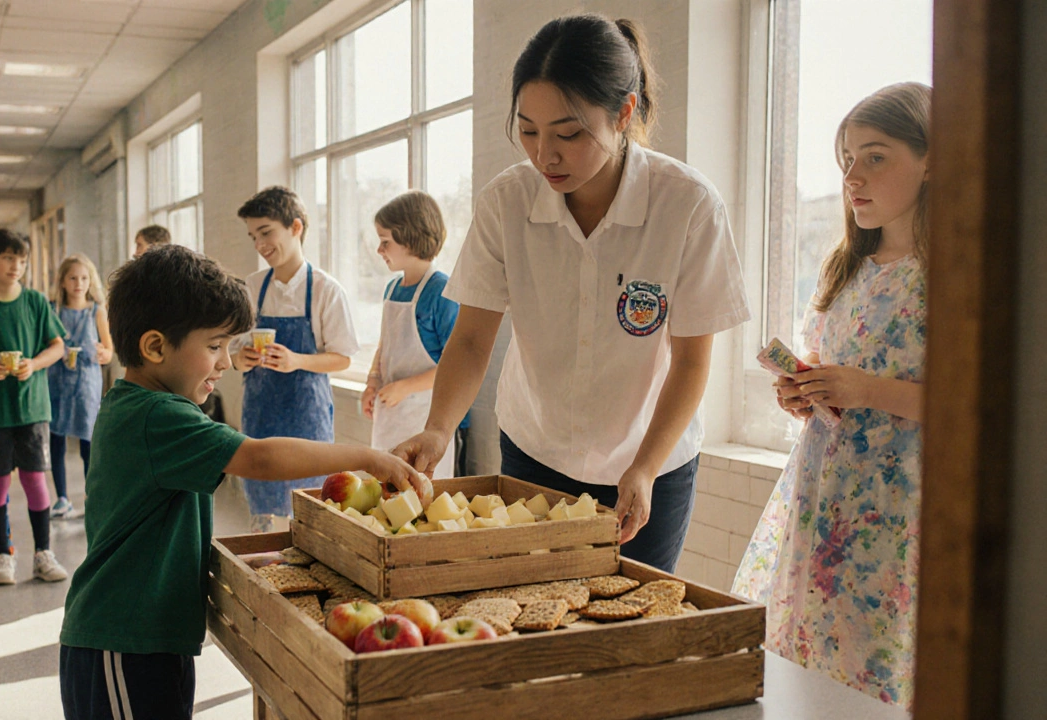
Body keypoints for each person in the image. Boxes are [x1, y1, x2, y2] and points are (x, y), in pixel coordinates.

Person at [392, 15, 751, 573]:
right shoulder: (506, 203)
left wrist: (646, 467)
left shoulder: (688, 205)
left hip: (649, 459)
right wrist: (439, 428)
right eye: (529, 130)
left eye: (568, 133)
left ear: (625, 112)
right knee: (533, 611)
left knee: (629, 628)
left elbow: (690, 362)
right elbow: (469, 340)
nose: (545, 155)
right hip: (537, 450)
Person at [59, 245, 423, 719]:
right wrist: (368, 458)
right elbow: (260, 456)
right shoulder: (157, 416)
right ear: (154, 347)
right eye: (214, 346)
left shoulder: (142, 403)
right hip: (123, 641)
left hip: (151, 637)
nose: (227, 363)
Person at [732, 83, 931, 709]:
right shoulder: (845, 266)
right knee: (808, 671)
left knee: (879, 674)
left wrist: (866, 389)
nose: (853, 176)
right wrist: (805, 392)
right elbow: (834, 371)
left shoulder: (955, 272)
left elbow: (979, 406)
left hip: (900, 504)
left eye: (875, 156)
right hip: (826, 491)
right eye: (846, 158)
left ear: (934, 159)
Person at [231, 186, 361, 532]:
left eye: (266, 232)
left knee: (308, 509)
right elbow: (234, 350)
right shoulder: (253, 286)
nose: (259, 244)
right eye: (253, 236)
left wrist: (297, 360)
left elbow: (342, 357)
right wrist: (240, 359)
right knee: (263, 512)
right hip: (259, 417)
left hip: (308, 418)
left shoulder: (325, 289)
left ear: (296, 227)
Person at [0, 229, 70, 586]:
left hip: (33, 408)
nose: (16, 266)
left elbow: (58, 347)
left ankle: (43, 553)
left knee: (36, 479)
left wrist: (33, 365)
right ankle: (2, 555)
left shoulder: (36, 302)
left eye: (22, 259)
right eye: (8, 258)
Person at [361, 191, 469, 479]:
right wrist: (373, 381)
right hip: (391, 417)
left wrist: (405, 387)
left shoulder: (442, 292)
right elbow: (384, 347)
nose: (378, 250)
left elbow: (457, 366)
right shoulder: (392, 289)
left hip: (428, 419)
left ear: (410, 238)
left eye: (385, 242)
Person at [47, 254, 113, 517]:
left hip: (87, 381)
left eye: (84, 278)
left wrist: (104, 355)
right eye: (73, 278)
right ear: (62, 281)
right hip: (57, 380)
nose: (78, 283)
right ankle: (62, 497)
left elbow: (109, 349)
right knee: (57, 436)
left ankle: (90, 495)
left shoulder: (97, 311)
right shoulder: (53, 310)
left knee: (88, 438)